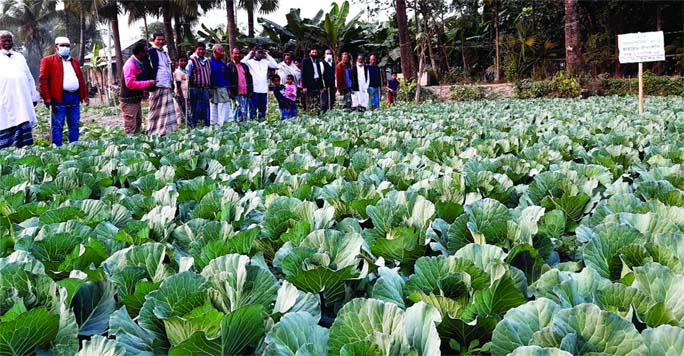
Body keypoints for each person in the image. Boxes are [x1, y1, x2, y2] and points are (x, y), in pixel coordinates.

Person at [39, 36, 89, 146]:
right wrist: (46, 97)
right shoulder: (47, 61)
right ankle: (57, 149)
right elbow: (43, 80)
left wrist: (84, 96)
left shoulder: (74, 62)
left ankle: (74, 146)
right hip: (59, 97)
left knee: (74, 124)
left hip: (74, 97)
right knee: (57, 125)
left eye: (67, 45)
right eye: (62, 45)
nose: (65, 47)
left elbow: (80, 79)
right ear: (56, 47)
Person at [0, 31, 39, 149]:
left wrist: (34, 96)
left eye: (9, 40)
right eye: (4, 41)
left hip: (22, 100)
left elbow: (29, 77)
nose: (7, 43)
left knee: (23, 125)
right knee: (5, 126)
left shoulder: (20, 57)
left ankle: (23, 150)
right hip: (4, 102)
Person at [120, 40, 156, 134]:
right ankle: (129, 146)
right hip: (129, 100)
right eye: (146, 51)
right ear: (140, 53)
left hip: (135, 99)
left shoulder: (138, 63)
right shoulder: (130, 65)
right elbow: (130, 84)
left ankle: (135, 145)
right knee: (130, 126)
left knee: (137, 123)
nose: (147, 53)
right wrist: (149, 83)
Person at [146, 33, 177, 135]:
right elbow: (147, 68)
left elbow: (168, 68)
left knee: (167, 111)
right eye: (158, 39)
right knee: (155, 110)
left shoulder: (164, 53)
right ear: (153, 40)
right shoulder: (150, 52)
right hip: (157, 84)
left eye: (162, 40)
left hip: (166, 84)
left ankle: (166, 131)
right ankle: (153, 131)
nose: (160, 41)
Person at [241, 47, 279, 120]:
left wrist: (267, 56)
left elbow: (276, 66)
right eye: (259, 52)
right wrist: (249, 54)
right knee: (253, 109)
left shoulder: (265, 62)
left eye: (261, 52)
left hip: (263, 90)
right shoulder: (250, 62)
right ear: (255, 53)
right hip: (254, 90)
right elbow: (242, 63)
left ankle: (262, 122)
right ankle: (253, 123)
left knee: (263, 109)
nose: (260, 54)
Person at [186, 42, 211, 127]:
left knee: (206, 110)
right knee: (195, 110)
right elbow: (187, 75)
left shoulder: (207, 61)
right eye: (199, 49)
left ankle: (206, 127)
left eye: (203, 49)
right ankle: (194, 127)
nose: (201, 51)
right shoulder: (191, 60)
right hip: (194, 89)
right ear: (195, 50)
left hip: (205, 89)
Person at [227, 47, 253, 122]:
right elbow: (228, 79)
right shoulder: (229, 66)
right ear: (232, 55)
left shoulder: (244, 66)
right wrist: (229, 91)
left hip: (245, 93)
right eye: (235, 53)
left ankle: (244, 128)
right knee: (236, 111)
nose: (237, 55)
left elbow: (249, 78)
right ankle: (235, 127)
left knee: (244, 112)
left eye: (238, 53)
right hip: (235, 94)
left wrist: (250, 91)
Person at [209, 44, 232, 126]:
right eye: (221, 51)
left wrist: (228, 89)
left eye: (223, 51)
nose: (223, 53)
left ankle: (223, 125)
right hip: (212, 89)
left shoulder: (223, 64)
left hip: (223, 89)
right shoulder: (209, 63)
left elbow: (228, 77)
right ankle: (214, 125)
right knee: (213, 108)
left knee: (223, 107)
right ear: (215, 51)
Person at [301, 47, 322, 113]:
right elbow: (303, 74)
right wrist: (304, 86)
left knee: (317, 100)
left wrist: (322, 86)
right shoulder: (305, 61)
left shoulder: (318, 61)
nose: (314, 54)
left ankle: (317, 113)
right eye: (313, 52)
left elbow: (320, 74)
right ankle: (310, 114)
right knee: (309, 100)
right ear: (310, 53)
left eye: (315, 52)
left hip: (317, 82)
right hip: (309, 83)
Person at [174, 55, 189, 126]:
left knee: (186, 113)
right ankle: (180, 127)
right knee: (179, 113)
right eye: (181, 61)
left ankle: (186, 127)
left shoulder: (185, 71)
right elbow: (178, 86)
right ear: (177, 62)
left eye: (185, 61)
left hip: (185, 95)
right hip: (180, 96)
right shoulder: (178, 72)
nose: (183, 62)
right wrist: (182, 99)